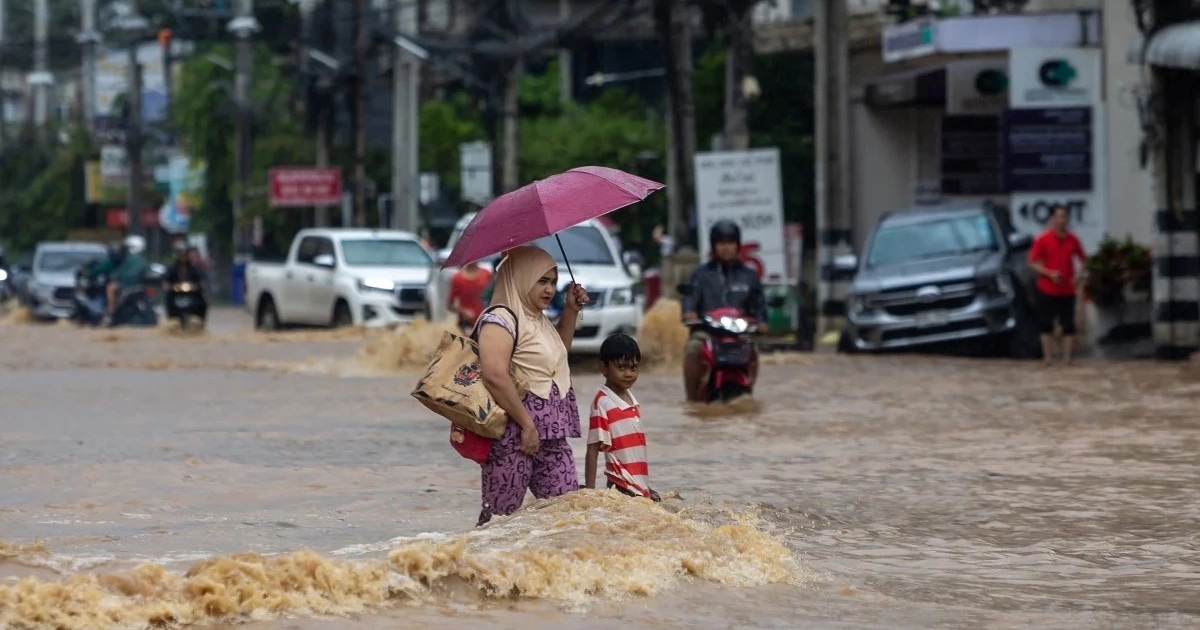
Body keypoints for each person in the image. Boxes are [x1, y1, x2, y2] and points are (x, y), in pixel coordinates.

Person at [475, 245, 590, 526]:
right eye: (541, 280)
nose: (549, 289)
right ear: (521, 277)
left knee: (567, 517)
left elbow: (555, 356)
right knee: (499, 523)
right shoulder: (499, 319)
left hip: (551, 434)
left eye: (553, 281)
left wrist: (571, 311)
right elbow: (494, 375)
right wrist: (527, 426)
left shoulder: (537, 320)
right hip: (512, 437)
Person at [680, 220, 767, 402]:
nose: (725, 248)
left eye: (730, 243)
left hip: (740, 333)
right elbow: (690, 298)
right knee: (693, 348)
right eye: (721, 243)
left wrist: (761, 321)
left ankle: (748, 388)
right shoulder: (701, 275)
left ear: (737, 245)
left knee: (753, 349)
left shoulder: (749, 276)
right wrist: (689, 312)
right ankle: (692, 398)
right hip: (707, 332)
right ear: (713, 246)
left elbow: (759, 304)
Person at [585, 333, 661, 502]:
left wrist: (644, 487)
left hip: (637, 486)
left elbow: (633, 453)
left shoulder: (631, 400)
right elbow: (592, 448)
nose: (628, 374)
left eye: (633, 368)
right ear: (603, 367)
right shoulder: (602, 402)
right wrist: (588, 493)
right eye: (621, 368)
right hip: (620, 487)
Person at [1028, 205, 1088, 366]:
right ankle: (1048, 358)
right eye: (1059, 217)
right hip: (1047, 288)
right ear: (1052, 219)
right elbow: (1033, 262)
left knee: (1068, 324)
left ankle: (1068, 359)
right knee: (1046, 323)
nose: (1062, 220)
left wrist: (1079, 275)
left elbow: (1084, 260)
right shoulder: (1043, 239)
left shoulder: (1073, 239)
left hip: (1068, 288)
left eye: (1065, 216)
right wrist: (1049, 273)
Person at [106, 235, 148, 318]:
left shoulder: (131, 259)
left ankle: (111, 309)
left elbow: (123, 272)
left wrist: (113, 275)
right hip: (138, 284)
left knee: (110, 288)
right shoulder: (141, 259)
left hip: (128, 284)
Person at [165, 245, 208, 321]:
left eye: (185, 255)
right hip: (176, 293)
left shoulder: (194, 268)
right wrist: (168, 286)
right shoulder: (172, 268)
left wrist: (199, 285)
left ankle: (200, 320)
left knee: (202, 303)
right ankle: (171, 319)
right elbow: (166, 280)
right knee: (169, 301)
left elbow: (201, 279)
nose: (183, 257)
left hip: (192, 293)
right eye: (181, 255)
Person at [448, 260, 493, 331]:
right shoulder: (457, 278)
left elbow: (492, 294)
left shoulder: (486, 274)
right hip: (466, 322)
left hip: (485, 319)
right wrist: (463, 312)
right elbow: (450, 305)